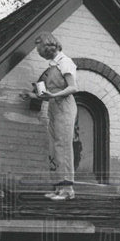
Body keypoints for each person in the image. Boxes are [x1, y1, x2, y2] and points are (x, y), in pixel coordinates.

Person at [33, 32, 78, 201]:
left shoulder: (65, 62)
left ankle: (68, 190)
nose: (40, 54)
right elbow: (51, 90)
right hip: (54, 106)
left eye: (40, 50)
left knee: (64, 146)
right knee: (54, 146)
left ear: (48, 47)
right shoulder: (53, 65)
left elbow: (73, 87)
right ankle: (59, 187)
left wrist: (52, 95)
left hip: (65, 106)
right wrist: (34, 96)